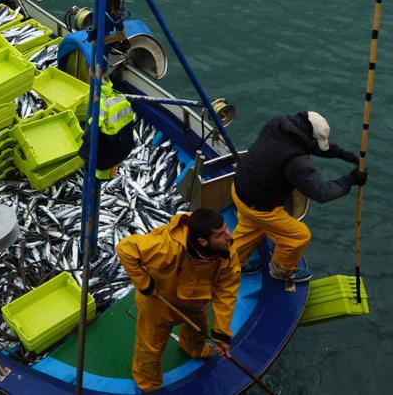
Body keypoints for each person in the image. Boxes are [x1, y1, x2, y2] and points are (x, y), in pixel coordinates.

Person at [232, 111, 368, 283]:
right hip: (260, 206)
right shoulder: (295, 161)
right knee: (299, 236)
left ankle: (232, 262)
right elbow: (321, 192)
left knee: (250, 228)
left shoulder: (278, 124)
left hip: (240, 187)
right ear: (310, 139)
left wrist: (341, 153)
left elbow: (308, 145)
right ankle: (281, 270)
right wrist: (350, 180)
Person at [116, 208, 240, 392]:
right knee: (150, 349)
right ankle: (147, 383)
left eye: (226, 229)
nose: (229, 237)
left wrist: (221, 334)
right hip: (158, 305)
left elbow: (226, 291)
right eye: (220, 235)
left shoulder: (226, 251)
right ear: (202, 241)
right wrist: (145, 284)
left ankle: (194, 349)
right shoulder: (167, 247)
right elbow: (126, 248)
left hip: (196, 303)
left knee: (198, 332)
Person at [78, 78, 135, 180]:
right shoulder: (121, 98)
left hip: (106, 157)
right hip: (124, 149)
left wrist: (83, 153)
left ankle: (100, 178)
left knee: (92, 151)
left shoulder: (100, 104)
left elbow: (91, 133)